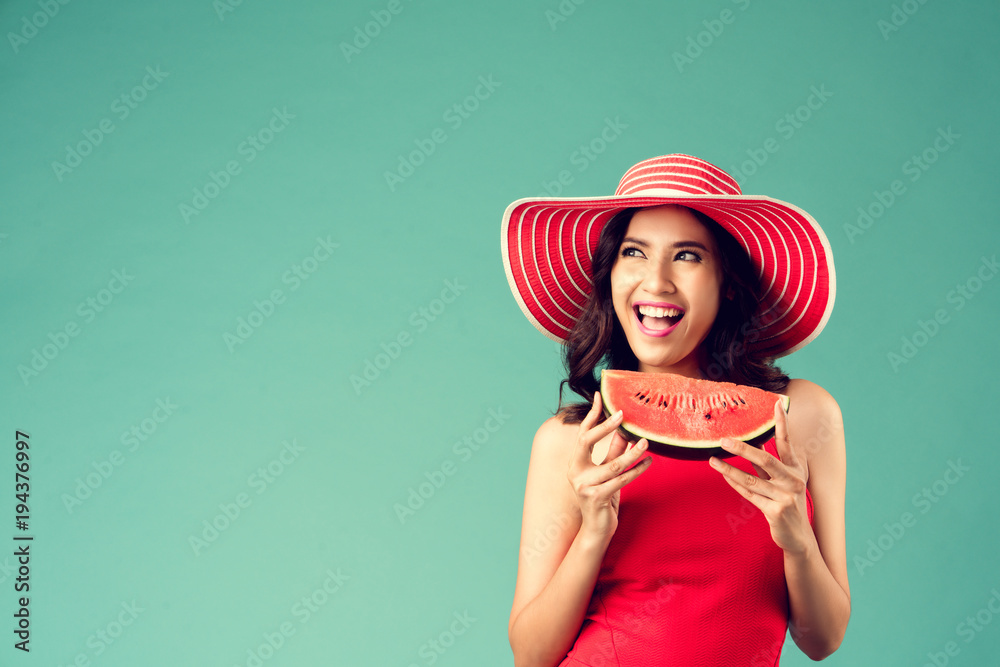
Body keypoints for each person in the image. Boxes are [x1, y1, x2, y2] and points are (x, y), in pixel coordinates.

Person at [501, 155, 850, 666]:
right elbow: (530, 656)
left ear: (727, 282)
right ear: (611, 274)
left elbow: (824, 640)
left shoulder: (802, 416)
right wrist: (593, 533)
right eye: (634, 253)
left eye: (687, 256)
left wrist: (797, 541)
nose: (657, 281)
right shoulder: (569, 440)